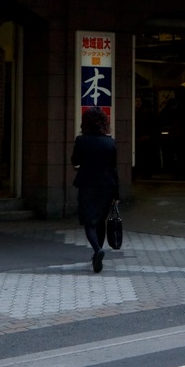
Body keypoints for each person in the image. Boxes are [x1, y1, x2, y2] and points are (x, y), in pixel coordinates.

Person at [71, 106, 119, 273]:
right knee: (100, 221)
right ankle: (97, 252)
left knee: (89, 222)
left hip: (87, 185)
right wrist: (117, 193)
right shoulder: (110, 142)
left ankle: (97, 250)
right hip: (106, 186)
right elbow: (114, 169)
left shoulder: (81, 140)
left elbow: (74, 160)